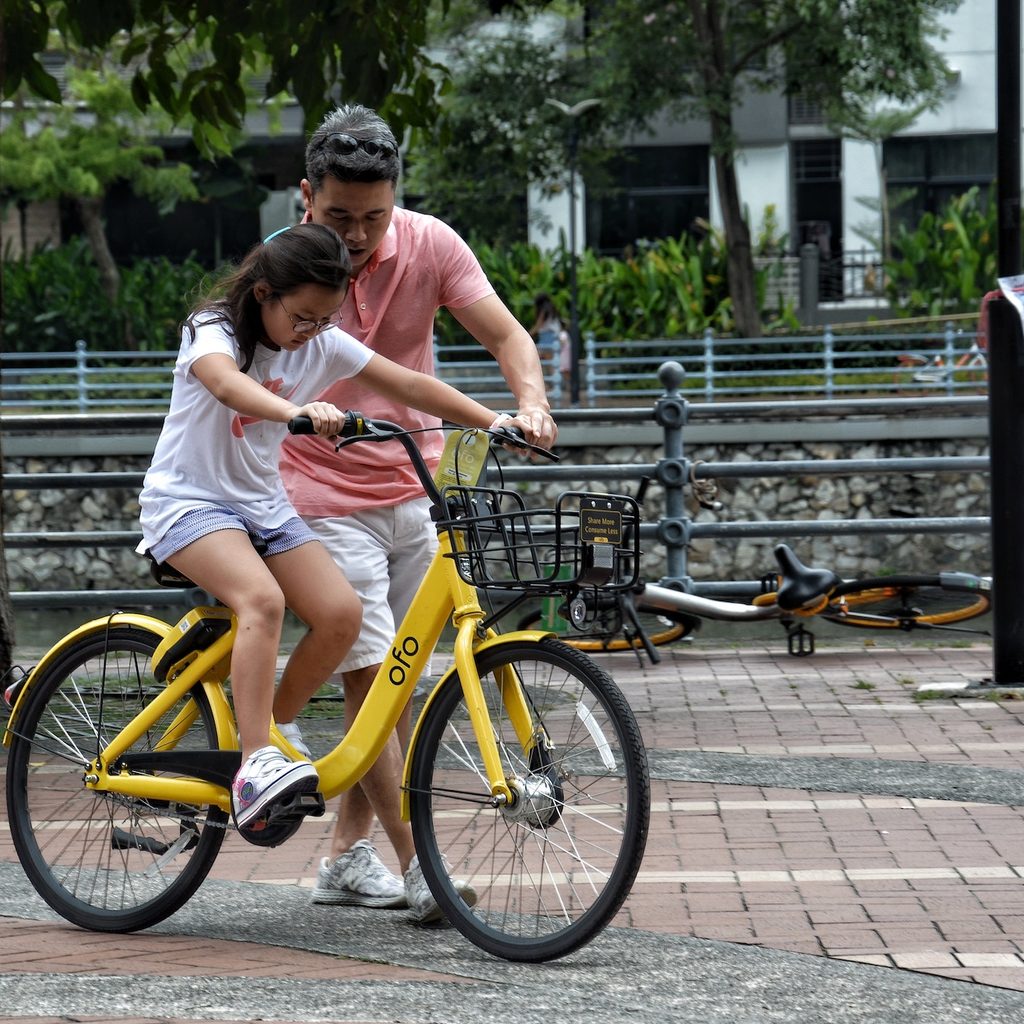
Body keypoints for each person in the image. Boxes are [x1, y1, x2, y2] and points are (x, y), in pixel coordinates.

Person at [136, 222, 513, 850]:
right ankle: (255, 760)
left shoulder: (322, 342)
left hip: (262, 505)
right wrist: (296, 414)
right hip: (188, 503)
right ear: (263, 294)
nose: (313, 331)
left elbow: (412, 386)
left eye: (324, 319)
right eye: (303, 317)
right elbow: (227, 384)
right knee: (263, 601)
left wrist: (497, 420)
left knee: (342, 614)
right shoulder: (214, 328)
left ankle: (279, 727)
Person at [274, 104, 557, 921]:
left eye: (373, 217)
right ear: (306, 197)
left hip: (416, 488)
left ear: (396, 199)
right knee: (372, 679)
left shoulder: (431, 244)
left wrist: (529, 403)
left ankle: (342, 859)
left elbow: (507, 335)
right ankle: (420, 864)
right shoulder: (286, 263)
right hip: (316, 494)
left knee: (394, 691)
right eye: (338, 217)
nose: (357, 236)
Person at [529, 293, 571, 397]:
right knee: (549, 363)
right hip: (552, 338)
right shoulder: (552, 309)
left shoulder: (544, 310)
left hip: (547, 338)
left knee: (535, 360)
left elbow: (539, 325)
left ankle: (553, 387)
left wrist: (527, 334)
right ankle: (557, 386)